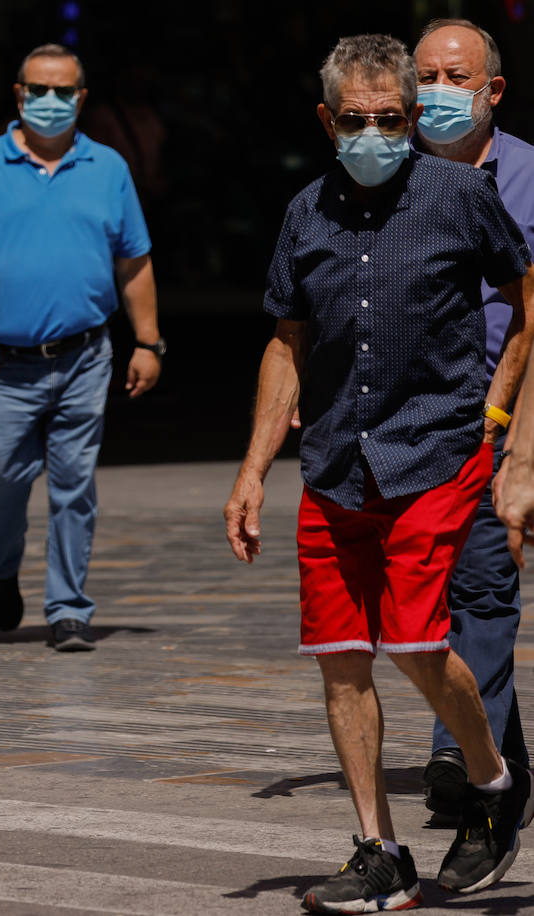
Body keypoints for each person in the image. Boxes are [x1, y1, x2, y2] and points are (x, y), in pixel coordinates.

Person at [223, 34, 534, 913]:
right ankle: (379, 850)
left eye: (391, 121)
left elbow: (525, 300)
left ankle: (490, 774)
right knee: (340, 659)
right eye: (356, 121)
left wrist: (502, 417)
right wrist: (252, 472)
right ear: (327, 120)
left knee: (414, 641)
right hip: (334, 463)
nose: (375, 134)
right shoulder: (303, 213)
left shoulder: (457, 196)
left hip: (435, 452)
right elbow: (285, 345)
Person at [0, 43, 163, 652]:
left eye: (64, 92)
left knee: (74, 484)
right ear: (19, 94)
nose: (51, 102)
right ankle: (2, 561)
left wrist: (148, 341)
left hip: (86, 356)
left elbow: (134, 260)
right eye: (39, 90)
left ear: (82, 98)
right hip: (4, 363)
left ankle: (69, 608)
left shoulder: (108, 167)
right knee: (1, 478)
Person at [410, 17, 534, 822]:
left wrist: (520, 440)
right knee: (449, 593)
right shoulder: (390, 174)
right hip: (416, 422)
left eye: (457, 78)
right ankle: (503, 762)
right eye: (425, 77)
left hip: (506, 412)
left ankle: (458, 753)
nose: (438, 93)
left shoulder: (528, 174)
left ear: (492, 90)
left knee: (483, 586)